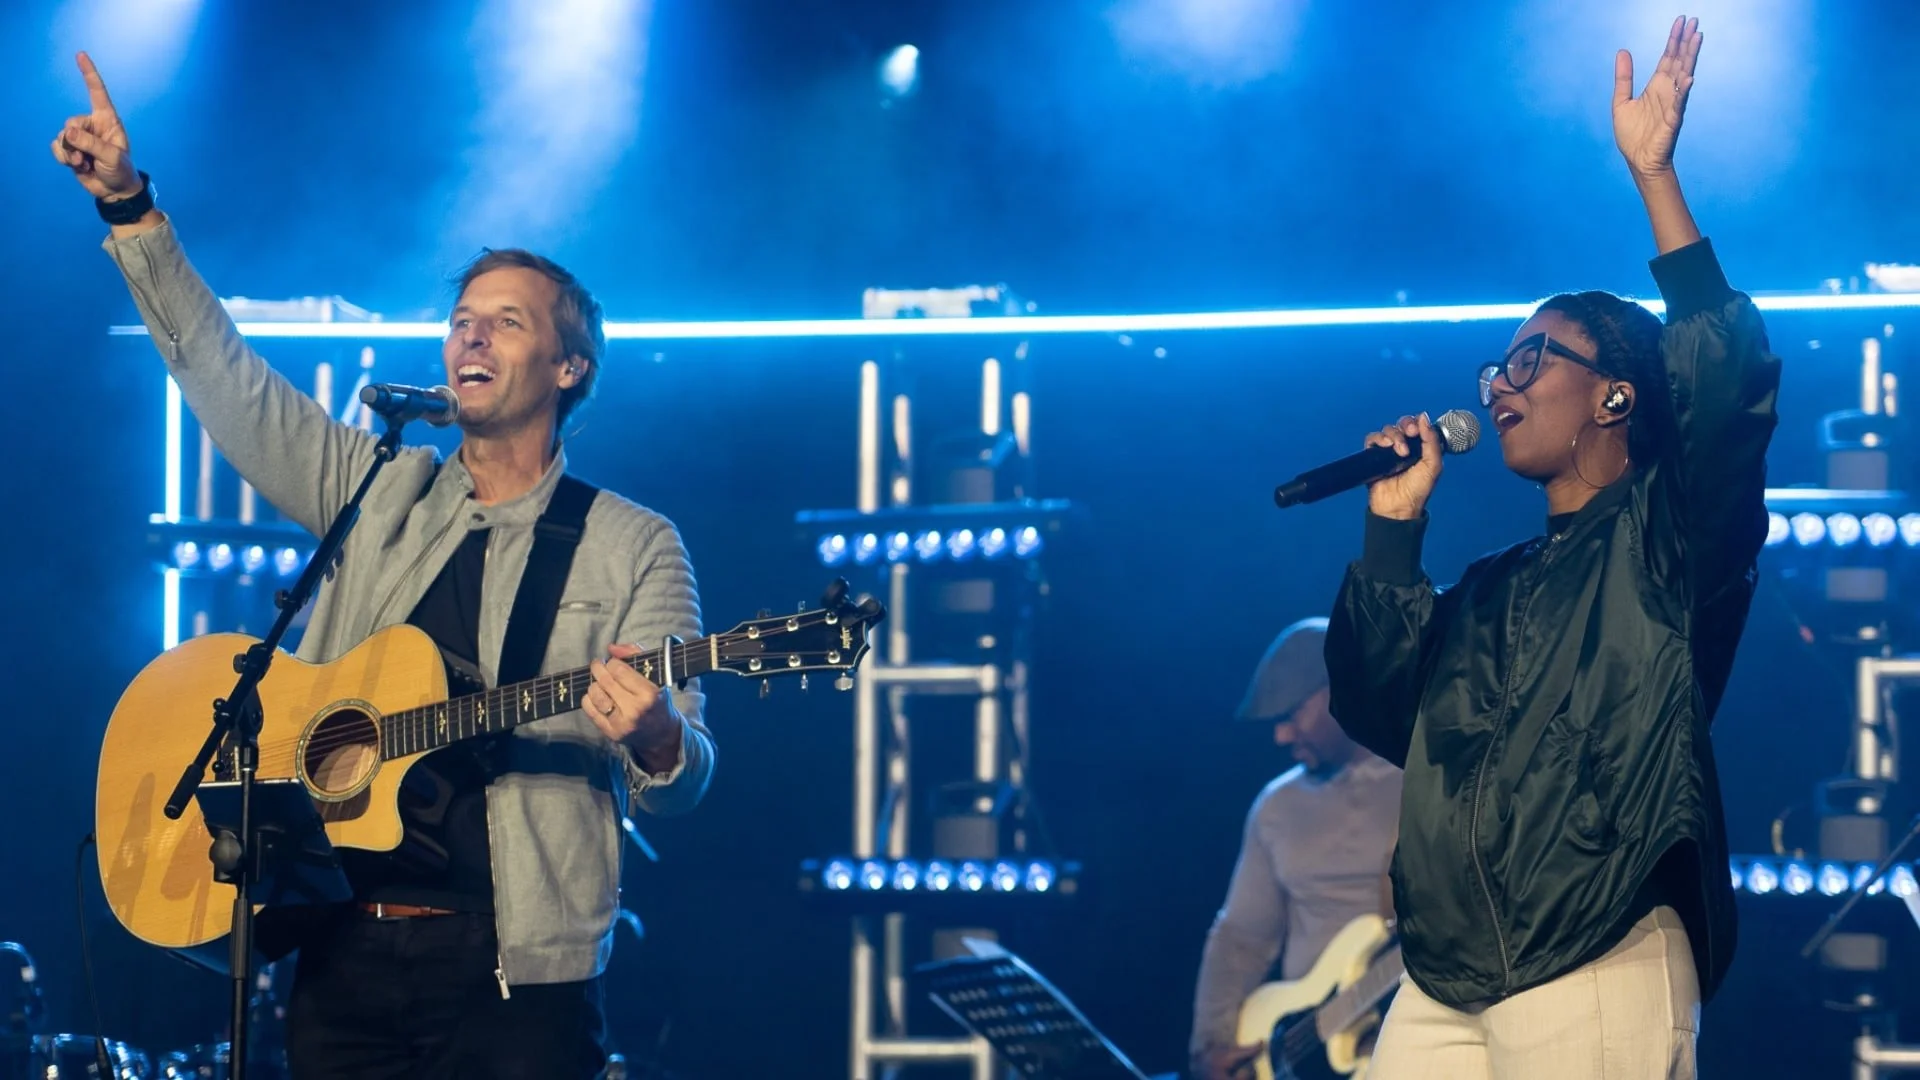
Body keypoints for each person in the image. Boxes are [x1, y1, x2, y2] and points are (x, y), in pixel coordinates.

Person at [53, 53, 714, 1079]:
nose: (469, 337)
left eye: (506, 321)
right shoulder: (380, 487)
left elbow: (678, 784)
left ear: (569, 366)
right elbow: (226, 381)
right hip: (340, 954)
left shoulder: (634, 541)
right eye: (460, 320)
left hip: (515, 974)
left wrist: (662, 739)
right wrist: (131, 210)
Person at [1321, 17, 1777, 1079]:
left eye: (1532, 359)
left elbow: (1725, 385)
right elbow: (1378, 706)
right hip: (1445, 974)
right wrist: (1394, 526)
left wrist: (1655, 178)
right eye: (1497, 366)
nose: (1498, 384)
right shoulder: (1487, 591)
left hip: (1595, 948)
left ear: (1616, 393)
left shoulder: (1671, 541)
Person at [1189, 618, 1402, 1080]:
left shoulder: (1429, 782)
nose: (1281, 736)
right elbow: (1241, 939)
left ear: (1338, 689)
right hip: (1297, 1049)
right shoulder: (1276, 806)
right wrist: (1212, 1045)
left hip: (1399, 1037)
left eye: (1290, 715)